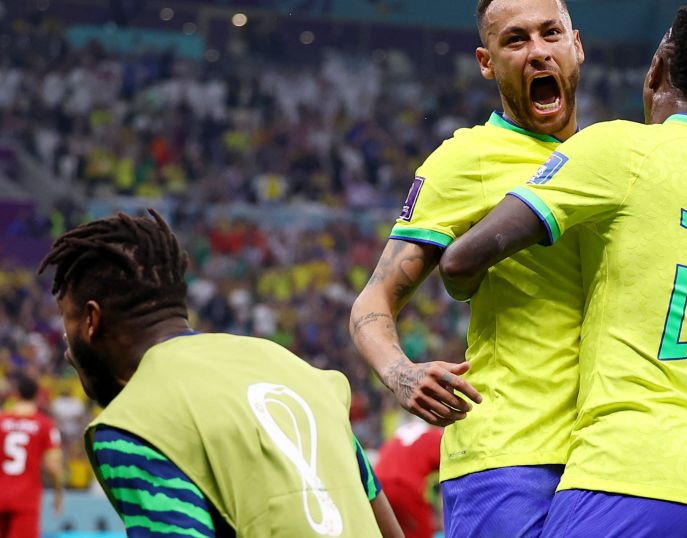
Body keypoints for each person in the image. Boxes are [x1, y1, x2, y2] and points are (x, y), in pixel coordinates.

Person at [440, 0, 687, 537]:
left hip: (632, 465)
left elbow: (461, 260)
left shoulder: (624, 149)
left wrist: (470, 281)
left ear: (658, 65)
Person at [349, 0, 586, 536]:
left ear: (577, 46)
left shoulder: (614, 158)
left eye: (551, 33)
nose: (537, 51)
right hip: (508, 458)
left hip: (602, 458)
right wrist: (401, 374)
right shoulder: (465, 160)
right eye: (515, 40)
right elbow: (373, 299)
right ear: (487, 62)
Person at [37, 209, 402, 538]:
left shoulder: (133, 425)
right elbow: (386, 527)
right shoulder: (294, 370)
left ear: (90, 320)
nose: (67, 350)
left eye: (67, 323)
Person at [0, 375, 63, 538]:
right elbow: (53, 466)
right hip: (25, 498)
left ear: (17, 394)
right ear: (37, 395)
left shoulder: (1, 421)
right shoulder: (45, 425)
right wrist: (58, 495)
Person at [375, 419, 442, 538]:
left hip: (377, 487)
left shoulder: (402, 432)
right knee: (422, 533)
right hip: (404, 487)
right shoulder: (435, 436)